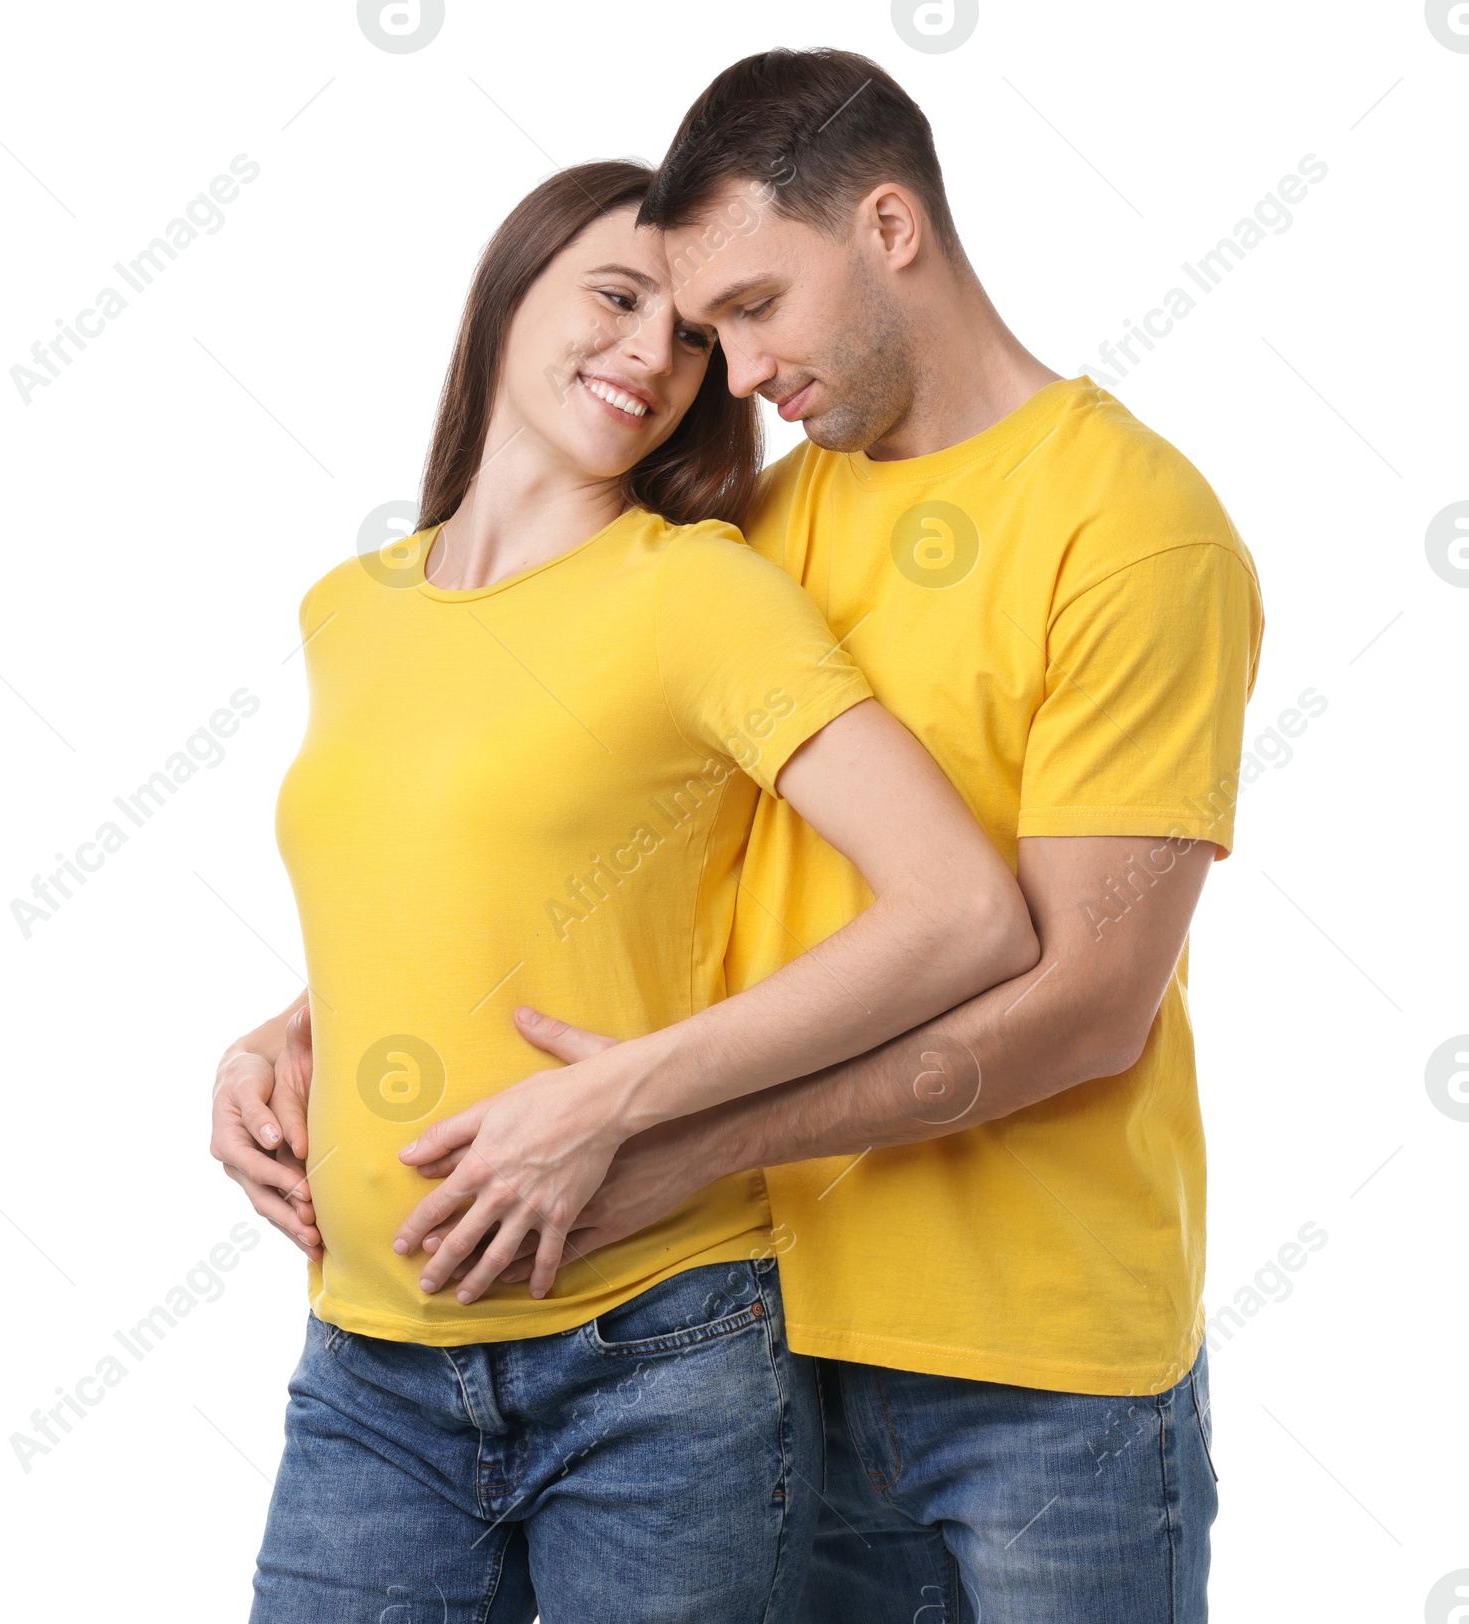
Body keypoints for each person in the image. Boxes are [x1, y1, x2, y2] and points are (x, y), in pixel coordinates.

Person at [400, 49, 1265, 1622]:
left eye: (753, 307)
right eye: (705, 328)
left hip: (1045, 1388)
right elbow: (581, 842)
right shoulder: (753, 532)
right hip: (752, 1354)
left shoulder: (1133, 526)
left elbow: (1088, 1005)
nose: (729, 372)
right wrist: (306, 1021)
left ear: (888, 225)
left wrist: (673, 1146)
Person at [215, 157, 1040, 1622]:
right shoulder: (352, 610)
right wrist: (281, 1034)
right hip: (366, 1370)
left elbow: (964, 909)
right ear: (508, 288)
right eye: (615, 298)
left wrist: (625, 1094)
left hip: (656, 1363)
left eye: (696, 341)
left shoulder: (696, 593)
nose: (651, 358)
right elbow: (447, 875)